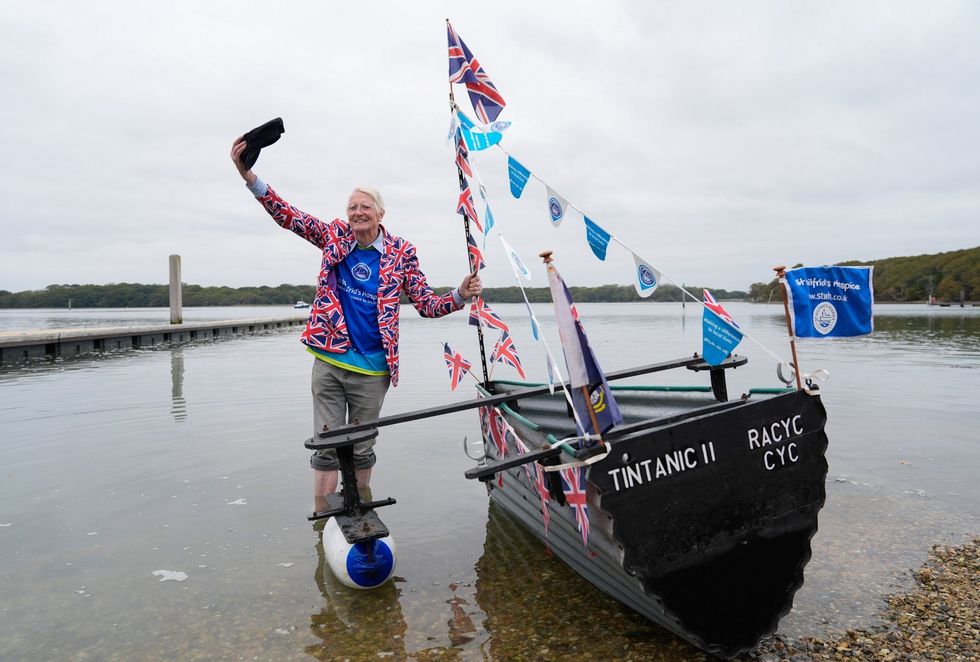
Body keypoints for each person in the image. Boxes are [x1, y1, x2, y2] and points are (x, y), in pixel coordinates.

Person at [230, 136, 482, 512]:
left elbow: (427, 304)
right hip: (330, 361)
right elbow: (289, 216)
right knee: (326, 448)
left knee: (362, 449)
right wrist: (250, 176)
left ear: (381, 214)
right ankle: (324, 519)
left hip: (373, 370)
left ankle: (360, 511)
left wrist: (460, 294)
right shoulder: (334, 236)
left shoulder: (402, 253)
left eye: (365, 207)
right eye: (352, 207)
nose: (357, 212)